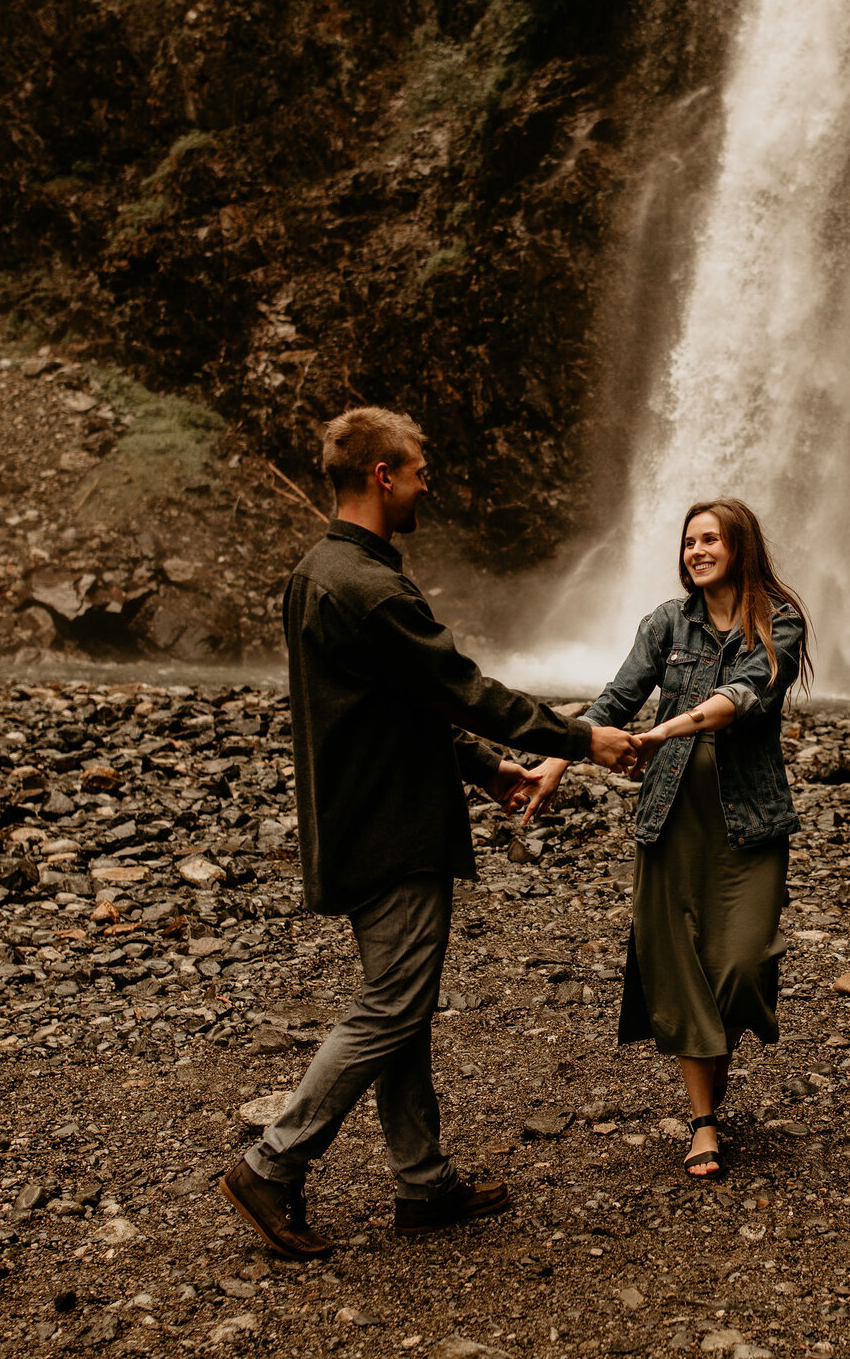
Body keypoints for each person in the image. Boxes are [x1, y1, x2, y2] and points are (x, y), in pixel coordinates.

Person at [218, 406, 640, 1260]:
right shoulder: (369, 588)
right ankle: (273, 1161)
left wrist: (484, 769)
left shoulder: (318, 573)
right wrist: (579, 738)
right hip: (391, 828)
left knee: (401, 1005)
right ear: (382, 474)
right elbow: (462, 688)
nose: (425, 480)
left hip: (359, 813)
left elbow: (386, 709)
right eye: (417, 467)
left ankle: (422, 1182)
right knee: (392, 1005)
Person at [512, 497, 809, 1178]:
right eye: (688, 541)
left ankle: (713, 1058)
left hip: (749, 821)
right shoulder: (666, 623)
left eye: (710, 539)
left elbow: (746, 691)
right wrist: (555, 765)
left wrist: (664, 729)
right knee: (677, 967)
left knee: (740, 966)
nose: (696, 551)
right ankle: (704, 1119)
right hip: (670, 818)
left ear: (740, 545)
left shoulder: (778, 620)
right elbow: (612, 703)